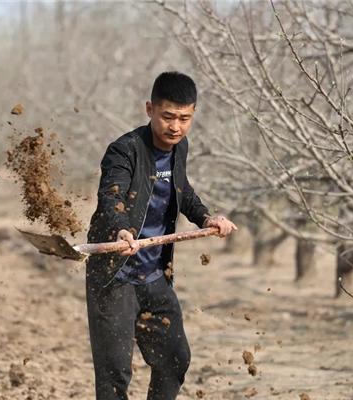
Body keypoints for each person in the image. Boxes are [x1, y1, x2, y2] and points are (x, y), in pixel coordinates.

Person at [85, 71, 237, 400]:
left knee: (175, 359)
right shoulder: (124, 151)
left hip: (153, 275)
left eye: (185, 118)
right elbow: (111, 196)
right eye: (168, 116)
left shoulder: (179, 148)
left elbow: (182, 191)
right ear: (149, 109)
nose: (176, 127)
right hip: (115, 277)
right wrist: (120, 228)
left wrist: (207, 218)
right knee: (114, 377)